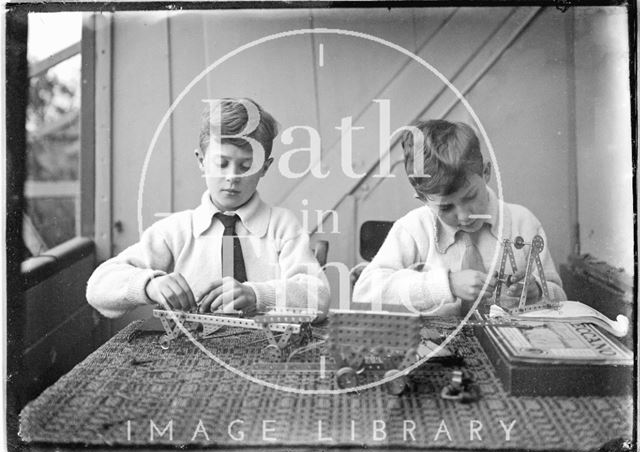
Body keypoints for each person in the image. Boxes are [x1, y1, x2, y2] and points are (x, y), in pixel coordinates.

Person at [87, 98, 330, 319]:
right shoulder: (176, 230)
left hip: (268, 354)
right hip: (191, 355)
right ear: (201, 162)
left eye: (246, 165)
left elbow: (318, 296)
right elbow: (98, 287)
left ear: (265, 168)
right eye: (221, 164)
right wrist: (150, 285)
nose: (232, 177)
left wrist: (257, 295)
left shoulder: (282, 226)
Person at [352, 119, 566, 315]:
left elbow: (559, 295)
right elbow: (365, 292)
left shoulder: (523, 223)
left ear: (486, 172)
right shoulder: (414, 228)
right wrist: (448, 284)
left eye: (471, 196)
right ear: (422, 199)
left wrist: (537, 291)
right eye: (445, 207)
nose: (465, 216)